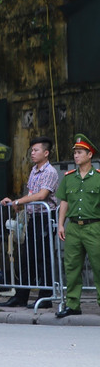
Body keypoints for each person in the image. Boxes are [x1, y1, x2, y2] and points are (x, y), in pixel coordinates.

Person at [0, 136, 59, 309]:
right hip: (33, 217)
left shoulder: (50, 172)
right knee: (27, 258)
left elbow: (41, 196)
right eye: (31, 150)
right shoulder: (34, 170)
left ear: (46, 153)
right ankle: (21, 296)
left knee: (43, 257)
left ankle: (45, 297)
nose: (32, 153)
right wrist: (19, 204)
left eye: (36, 150)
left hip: (46, 218)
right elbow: (31, 194)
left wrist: (19, 201)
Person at [55, 134, 100, 318]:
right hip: (73, 226)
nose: (76, 156)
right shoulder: (69, 178)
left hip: (94, 227)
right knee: (72, 267)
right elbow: (64, 202)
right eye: (75, 152)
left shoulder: (98, 177)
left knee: (99, 266)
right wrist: (60, 225)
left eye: (80, 152)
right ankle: (73, 304)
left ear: (90, 155)